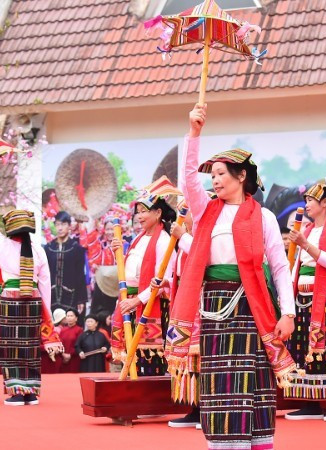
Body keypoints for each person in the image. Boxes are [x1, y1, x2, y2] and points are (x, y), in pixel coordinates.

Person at [167, 104, 297, 449]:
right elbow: (188, 181)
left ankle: (256, 443)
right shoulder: (207, 211)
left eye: (222, 173)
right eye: (213, 175)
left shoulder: (264, 217)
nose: (215, 180)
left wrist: (288, 312)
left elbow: (280, 267)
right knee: (219, 384)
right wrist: (193, 134)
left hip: (251, 308)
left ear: (242, 177)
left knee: (250, 381)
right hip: (214, 307)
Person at [0, 195, 63, 405]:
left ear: (10, 229)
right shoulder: (39, 250)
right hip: (34, 301)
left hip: (10, 301)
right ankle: (31, 392)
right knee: (31, 346)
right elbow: (45, 282)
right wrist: (45, 308)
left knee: (11, 346)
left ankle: (16, 392)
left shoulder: (4, 245)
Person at [284, 183, 326, 422]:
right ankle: (311, 402)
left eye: (311, 199)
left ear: (325, 203)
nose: (307, 204)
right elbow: (297, 265)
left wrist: (304, 244)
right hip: (303, 296)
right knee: (304, 347)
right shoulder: (311, 229)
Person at [110, 180, 178, 377]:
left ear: (158, 213)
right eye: (137, 212)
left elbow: (161, 279)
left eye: (144, 211)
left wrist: (137, 301)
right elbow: (130, 275)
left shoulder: (163, 240)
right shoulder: (138, 239)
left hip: (150, 306)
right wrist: (118, 254)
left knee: (149, 360)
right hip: (131, 303)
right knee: (132, 361)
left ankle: (151, 403)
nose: (139, 216)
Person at [167, 205, 201, 428]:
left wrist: (183, 237)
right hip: (182, 301)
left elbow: (202, 259)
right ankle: (193, 407)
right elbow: (175, 272)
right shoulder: (182, 238)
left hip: (199, 301)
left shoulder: (201, 234)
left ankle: (204, 406)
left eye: (185, 209)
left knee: (200, 357)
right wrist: (165, 284)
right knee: (184, 355)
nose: (181, 214)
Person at [45, 211, 88, 315]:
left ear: (69, 226)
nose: (60, 228)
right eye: (57, 224)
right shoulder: (48, 248)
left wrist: (81, 299)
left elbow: (80, 275)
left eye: (63, 224)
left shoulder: (76, 249)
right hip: (51, 297)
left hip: (71, 296)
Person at [80, 215, 119, 317]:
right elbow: (92, 255)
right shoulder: (100, 244)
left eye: (112, 229)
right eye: (108, 229)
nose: (110, 232)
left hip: (115, 286)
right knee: (96, 314)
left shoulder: (123, 245)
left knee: (112, 315)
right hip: (100, 284)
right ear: (104, 230)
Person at [59, 309, 83, 373]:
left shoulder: (79, 330)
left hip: (74, 358)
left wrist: (70, 355)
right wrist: (63, 354)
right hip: (63, 359)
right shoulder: (63, 330)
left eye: (71, 316)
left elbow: (80, 345)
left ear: (76, 318)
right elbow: (59, 343)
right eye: (68, 316)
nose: (69, 318)